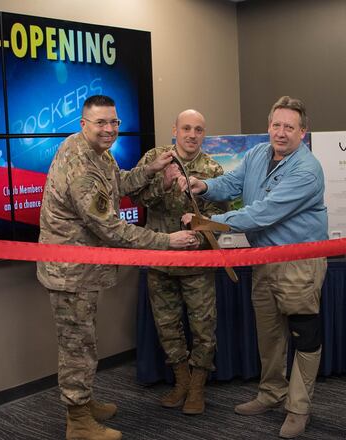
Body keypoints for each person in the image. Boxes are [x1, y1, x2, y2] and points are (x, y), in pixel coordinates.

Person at [36, 95, 198, 440]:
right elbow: (109, 226)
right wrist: (166, 241)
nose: (109, 129)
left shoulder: (96, 151)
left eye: (114, 122)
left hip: (83, 270)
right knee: (77, 347)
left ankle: (84, 402)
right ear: (83, 125)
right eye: (101, 123)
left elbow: (117, 185)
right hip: (71, 274)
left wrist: (149, 170)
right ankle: (78, 421)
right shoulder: (81, 165)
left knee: (85, 341)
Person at [180, 96, 328, 438]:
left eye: (289, 127)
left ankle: (298, 408)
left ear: (303, 132)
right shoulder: (258, 153)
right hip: (262, 261)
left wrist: (208, 221)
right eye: (276, 125)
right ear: (268, 126)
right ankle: (271, 394)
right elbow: (231, 184)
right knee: (270, 334)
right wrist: (204, 186)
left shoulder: (308, 170)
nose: (281, 132)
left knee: (304, 335)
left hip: (298, 264)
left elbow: (262, 213)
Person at [131, 109, 226, 415]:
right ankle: (181, 382)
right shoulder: (156, 159)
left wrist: (198, 237)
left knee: (203, 327)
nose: (192, 135)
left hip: (197, 263)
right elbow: (134, 197)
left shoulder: (212, 169)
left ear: (204, 134)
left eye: (198, 129)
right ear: (175, 130)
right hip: (161, 259)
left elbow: (220, 219)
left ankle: (197, 387)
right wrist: (164, 183)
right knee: (167, 326)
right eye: (186, 128)